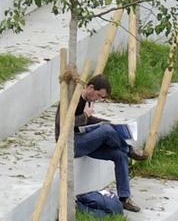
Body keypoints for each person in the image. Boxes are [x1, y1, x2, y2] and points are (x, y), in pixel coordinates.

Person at [61, 75, 147, 213]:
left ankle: (124, 198)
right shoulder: (73, 97)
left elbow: (87, 122)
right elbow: (64, 122)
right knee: (107, 131)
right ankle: (129, 149)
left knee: (119, 154)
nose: (98, 99)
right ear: (90, 88)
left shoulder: (88, 101)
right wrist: (86, 116)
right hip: (70, 144)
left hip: (85, 139)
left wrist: (105, 122)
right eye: (99, 95)